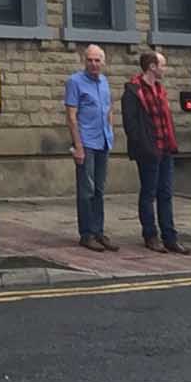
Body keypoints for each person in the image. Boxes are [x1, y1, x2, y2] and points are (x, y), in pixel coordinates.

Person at [122, 50, 191, 254]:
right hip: (149, 151)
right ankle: (150, 236)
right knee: (148, 194)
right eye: (162, 64)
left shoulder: (160, 89)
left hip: (165, 149)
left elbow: (165, 119)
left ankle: (170, 237)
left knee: (166, 194)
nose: (165, 68)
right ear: (152, 67)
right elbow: (131, 124)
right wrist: (145, 147)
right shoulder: (133, 91)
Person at [64, 45, 116, 251]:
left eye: (97, 60)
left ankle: (98, 231)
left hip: (103, 141)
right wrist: (78, 146)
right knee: (87, 190)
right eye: (90, 60)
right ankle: (86, 233)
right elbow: (71, 117)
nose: (94, 64)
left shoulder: (104, 82)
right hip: (86, 142)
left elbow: (109, 109)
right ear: (84, 61)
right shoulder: (75, 82)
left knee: (100, 190)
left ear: (103, 62)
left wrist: (110, 132)